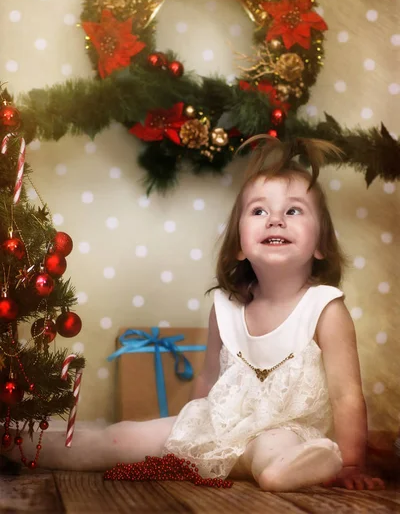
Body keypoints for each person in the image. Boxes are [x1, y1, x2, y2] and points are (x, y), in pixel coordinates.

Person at [2, 136, 384, 492]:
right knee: (122, 437)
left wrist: (353, 464)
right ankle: (28, 442)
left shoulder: (325, 308)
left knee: (271, 448)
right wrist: (185, 432)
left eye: (294, 210)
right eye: (259, 210)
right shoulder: (226, 308)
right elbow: (208, 382)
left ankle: (297, 468)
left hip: (287, 432)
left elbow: (346, 395)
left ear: (320, 246)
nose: (275, 219)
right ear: (238, 246)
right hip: (217, 426)